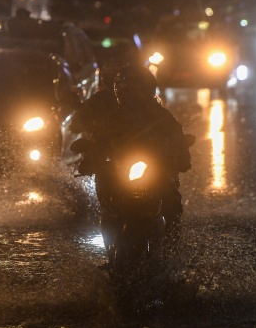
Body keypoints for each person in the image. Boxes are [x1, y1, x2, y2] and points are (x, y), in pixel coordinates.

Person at [70, 62, 192, 234]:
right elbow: (99, 141)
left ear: (148, 89)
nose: (134, 96)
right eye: (129, 90)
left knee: (171, 203)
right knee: (105, 197)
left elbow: (177, 139)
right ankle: (111, 247)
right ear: (120, 92)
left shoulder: (163, 117)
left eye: (138, 89)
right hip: (120, 171)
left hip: (156, 170)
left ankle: (172, 247)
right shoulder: (112, 119)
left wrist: (181, 156)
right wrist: (90, 159)